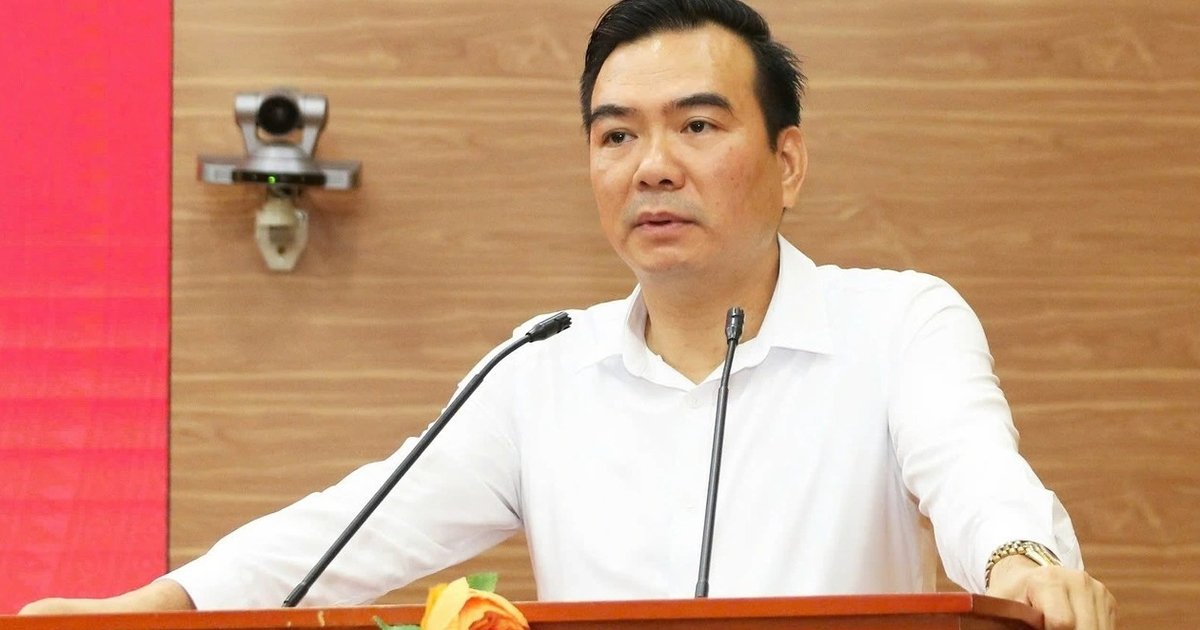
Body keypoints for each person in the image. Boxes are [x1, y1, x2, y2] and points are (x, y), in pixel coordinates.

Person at [23, 0, 1116, 628]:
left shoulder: (899, 324)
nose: (652, 167)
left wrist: (1022, 562)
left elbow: (977, 475)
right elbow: (348, 529)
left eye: (697, 127)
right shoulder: (540, 367)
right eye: (616, 135)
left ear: (788, 163)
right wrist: (165, 604)